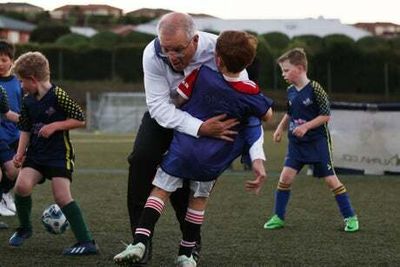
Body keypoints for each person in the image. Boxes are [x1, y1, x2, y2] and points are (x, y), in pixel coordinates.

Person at [115, 30, 273, 266]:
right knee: (197, 201)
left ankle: (139, 242)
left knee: (159, 191)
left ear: (214, 56)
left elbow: (177, 99)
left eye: (178, 49)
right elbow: (265, 116)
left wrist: (198, 106)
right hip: (213, 158)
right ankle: (187, 254)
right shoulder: (251, 92)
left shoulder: (200, 74)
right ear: (249, 61)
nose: (171, 55)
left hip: (183, 149)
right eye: (167, 49)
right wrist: (257, 157)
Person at [8, 51, 99, 255]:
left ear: (33, 79)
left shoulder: (58, 95)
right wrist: (20, 154)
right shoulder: (28, 100)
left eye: (23, 81)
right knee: (21, 186)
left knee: (61, 195)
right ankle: (24, 229)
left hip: (59, 154)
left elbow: (80, 119)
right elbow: (24, 127)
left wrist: (56, 125)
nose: (21, 85)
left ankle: (87, 242)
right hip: (36, 154)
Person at [263, 48, 359, 232]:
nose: (283, 74)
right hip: (297, 145)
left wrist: (306, 126)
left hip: (317, 143)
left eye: (286, 70)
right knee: (285, 177)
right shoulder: (290, 90)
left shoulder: (316, 89)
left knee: (331, 181)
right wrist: (280, 128)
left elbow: (326, 116)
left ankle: (351, 217)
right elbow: (290, 112)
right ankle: (278, 216)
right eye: (282, 70)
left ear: (299, 68)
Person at [0, 39, 23, 218]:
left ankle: (5, 194)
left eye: (3, 60)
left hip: (14, 134)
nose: (0, 64)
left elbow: (17, 111)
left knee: (15, 170)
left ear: (12, 61)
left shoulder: (19, 83)